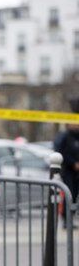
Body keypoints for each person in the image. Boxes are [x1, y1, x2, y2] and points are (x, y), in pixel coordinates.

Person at [54, 98, 79, 229]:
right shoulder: (64, 136)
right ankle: (66, 220)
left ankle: (71, 218)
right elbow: (59, 152)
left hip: (76, 171)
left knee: (74, 196)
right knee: (69, 194)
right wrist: (72, 163)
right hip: (68, 170)